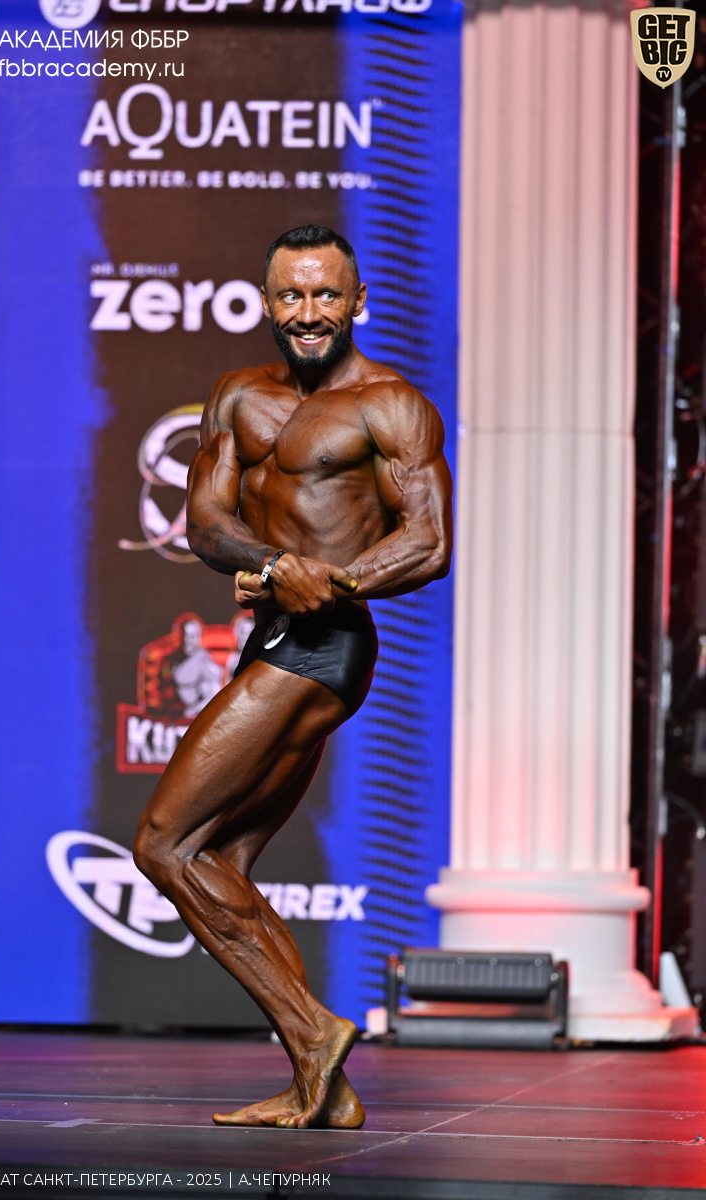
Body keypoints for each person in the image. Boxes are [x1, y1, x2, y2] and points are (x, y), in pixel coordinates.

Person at [134, 224, 453, 1129]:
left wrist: (331, 582)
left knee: (164, 844)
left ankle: (315, 1034)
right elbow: (206, 522)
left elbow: (428, 541)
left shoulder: (391, 405)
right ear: (268, 302)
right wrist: (274, 566)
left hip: (325, 646)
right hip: (273, 636)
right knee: (220, 861)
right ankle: (328, 1088)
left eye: (325, 295)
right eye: (291, 295)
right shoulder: (238, 395)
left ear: (357, 301)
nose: (308, 312)